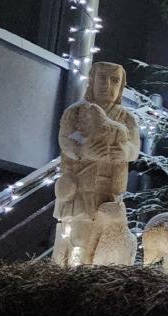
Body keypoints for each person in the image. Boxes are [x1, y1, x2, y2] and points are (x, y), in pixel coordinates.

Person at [53, 62, 140, 266]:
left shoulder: (126, 117)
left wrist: (125, 151)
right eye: (102, 78)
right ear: (92, 80)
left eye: (114, 80)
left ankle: (96, 268)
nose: (107, 85)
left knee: (105, 234)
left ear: (121, 86)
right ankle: (72, 269)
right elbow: (65, 140)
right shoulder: (75, 112)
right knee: (76, 234)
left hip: (110, 188)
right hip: (80, 185)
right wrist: (83, 150)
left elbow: (134, 148)